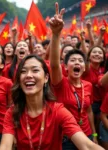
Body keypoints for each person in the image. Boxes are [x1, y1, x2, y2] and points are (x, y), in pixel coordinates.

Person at [0, 3, 104, 150]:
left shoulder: (58, 111)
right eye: (23, 71)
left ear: (46, 78)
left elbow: (87, 145)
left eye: (35, 70)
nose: (28, 75)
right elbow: (5, 146)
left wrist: (55, 34)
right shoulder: (13, 112)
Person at [49, 2, 98, 150]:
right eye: (73, 60)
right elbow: (54, 65)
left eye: (80, 61)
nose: (77, 62)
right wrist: (56, 34)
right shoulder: (60, 83)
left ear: (84, 67)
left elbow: (88, 111)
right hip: (66, 139)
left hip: (87, 135)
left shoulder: (88, 85)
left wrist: (94, 136)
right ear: (66, 66)